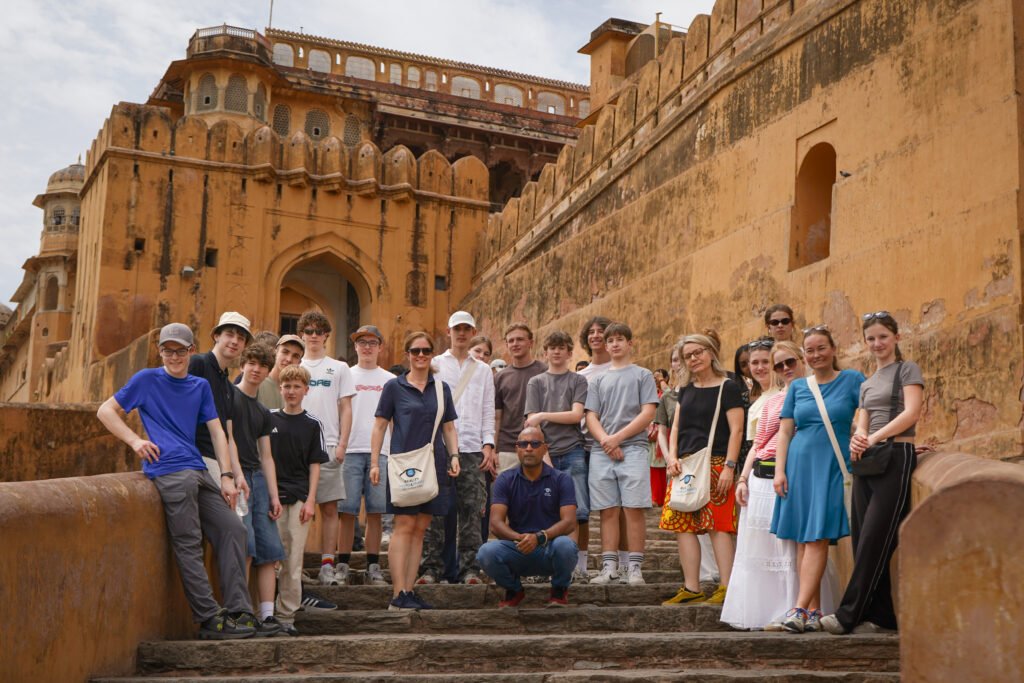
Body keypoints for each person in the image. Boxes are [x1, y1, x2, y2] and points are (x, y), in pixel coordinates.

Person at [96, 323, 256, 639]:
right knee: (189, 543)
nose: (174, 356)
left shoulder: (199, 386)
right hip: (168, 470)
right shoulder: (146, 380)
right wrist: (134, 441)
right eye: (168, 350)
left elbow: (217, 432)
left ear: (189, 352)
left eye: (180, 350)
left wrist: (226, 476)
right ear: (161, 352)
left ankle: (240, 612)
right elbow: (106, 411)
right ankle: (210, 618)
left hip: (197, 468)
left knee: (233, 528)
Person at [821, 312, 924, 635]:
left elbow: (912, 411)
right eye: (871, 339)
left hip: (895, 454)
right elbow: (862, 420)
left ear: (896, 338)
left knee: (875, 538)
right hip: (866, 460)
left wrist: (875, 437)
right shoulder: (867, 382)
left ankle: (848, 614)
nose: (877, 343)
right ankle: (882, 616)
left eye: (883, 337)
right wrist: (858, 438)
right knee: (864, 535)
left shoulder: (907, 369)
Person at [722, 342, 838, 630]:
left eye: (790, 363)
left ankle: (806, 609)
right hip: (765, 475)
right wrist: (743, 478)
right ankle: (778, 610)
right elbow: (758, 445)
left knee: (795, 547)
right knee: (770, 552)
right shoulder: (772, 401)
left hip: (798, 474)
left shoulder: (818, 393)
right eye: (779, 365)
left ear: (802, 360)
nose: (785, 369)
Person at [771, 325, 865, 633]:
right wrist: (779, 470)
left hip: (831, 465)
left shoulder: (852, 380)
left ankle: (798, 609)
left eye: (821, 348)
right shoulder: (798, 388)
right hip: (798, 466)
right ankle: (811, 611)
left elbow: (868, 415)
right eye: (809, 350)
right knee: (802, 540)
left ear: (833, 349)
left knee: (816, 537)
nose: (815, 355)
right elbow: (785, 432)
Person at [370, 331, 460, 610]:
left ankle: (409, 590)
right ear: (407, 354)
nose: (420, 356)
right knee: (404, 526)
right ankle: (397, 594)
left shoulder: (441, 388)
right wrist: (375, 461)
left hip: (434, 463)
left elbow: (448, 426)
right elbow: (380, 425)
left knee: (420, 527)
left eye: (425, 351)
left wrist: (455, 455)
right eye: (415, 351)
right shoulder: (394, 387)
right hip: (404, 465)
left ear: (432, 354)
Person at [661, 334, 745, 606]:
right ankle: (691, 587)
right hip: (685, 465)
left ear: (711, 353)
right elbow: (675, 427)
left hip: (718, 463)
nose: (693, 358)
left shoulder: (728, 387)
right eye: (688, 355)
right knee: (682, 526)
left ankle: (726, 586)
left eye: (698, 352)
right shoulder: (686, 389)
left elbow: (737, 430)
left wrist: (730, 467)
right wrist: (671, 457)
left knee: (718, 527)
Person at [419, 311, 495, 585]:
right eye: (457, 328)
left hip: (473, 447)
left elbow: (487, 409)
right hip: (439, 447)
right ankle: (431, 568)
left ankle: (470, 569)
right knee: (435, 510)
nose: (461, 333)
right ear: (448, 330)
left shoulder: (484, 370)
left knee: (472, 511)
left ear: (473, 331)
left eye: (466, 329)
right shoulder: (435, 364)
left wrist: (489, 444)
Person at [584, 322, 659, 586]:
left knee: (634, 507)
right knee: (607, 510)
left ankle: (635, 567)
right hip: (602, 450)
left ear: (630, 343)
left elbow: (648, 412)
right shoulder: (599, 379)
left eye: (620, 339)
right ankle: (609, 566)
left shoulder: (642, 374)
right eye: (610, 340)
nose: (615, 344)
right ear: (605, 345)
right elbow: (591, 415)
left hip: (634, 448)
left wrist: (618, 438)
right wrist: (606, 440)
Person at [476, 426, 579, 608]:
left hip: (549, 547)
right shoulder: (505, 479)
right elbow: (495, 523)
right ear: (517, 449)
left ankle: (559, 588)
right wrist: (520, 538)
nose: (529, 448)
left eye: (535, 443)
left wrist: (540, 537)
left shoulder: (561, 479)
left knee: (566, 545)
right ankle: (514, 589)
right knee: (486, 552)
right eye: (523, 444)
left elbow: (570, 522)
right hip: (518, 548)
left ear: (545, 448)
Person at [267, 364, 328, 636]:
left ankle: (286, 614)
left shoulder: (313, 424)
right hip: (273, 498)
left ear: (306, 389)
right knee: (270, 558)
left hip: (301, 498)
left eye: (296, 387)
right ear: (280, 389)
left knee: (294, 559)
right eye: (287, 386)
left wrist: (311, 500)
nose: (291, 391)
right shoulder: (268, 420)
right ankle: (264, 611)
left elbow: (316, 464)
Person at [524, 330, 590, 583]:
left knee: (575, 511)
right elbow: (531, 422)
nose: (557, 351)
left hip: (572, 449)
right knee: (542, 509)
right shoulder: (537, 382)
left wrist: (543, 415)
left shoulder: (578, 380)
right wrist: (544, 456)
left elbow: (576, 416)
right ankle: (542, 564)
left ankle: (571, 566)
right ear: (545, 352)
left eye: (562, 347)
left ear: (570, 352)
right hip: (544, 452)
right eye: (552, 347)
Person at [297, 310, 355, 586]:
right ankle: (295, 564)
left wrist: (343, 442)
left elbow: (346, 407)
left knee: (330, 509)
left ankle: (327, 565)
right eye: (308, 331)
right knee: (297, 509)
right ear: (301, 335)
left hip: (328, 445)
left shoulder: (338, 368)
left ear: (326, 336)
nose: (313, 336)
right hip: (295, 448)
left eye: (318, 331)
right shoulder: (295, 366)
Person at [232, 343, 285, 636]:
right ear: (242, 365)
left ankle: (266, 615)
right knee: (246, 546)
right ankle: (242, 611)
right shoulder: (229, 398)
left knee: (268, 549)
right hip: (237, 479)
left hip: (259, 481)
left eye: (262, 366)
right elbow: (227, 441)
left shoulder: (263, 411)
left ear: (267, 371)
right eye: (251, 363)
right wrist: (234, 476)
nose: (256, 369)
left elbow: (267, 455)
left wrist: (274, 495)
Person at [338, 325, 396, 587]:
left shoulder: (389, 380)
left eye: (372, 342)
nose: (367, 347)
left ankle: (373, 566)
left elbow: (394, 419)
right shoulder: (345, 375)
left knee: (375, 512)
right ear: (355, 347)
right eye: (362, 342)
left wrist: (393, 451)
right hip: (349, 450)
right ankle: (342, 565)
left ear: (380, 347)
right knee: (346, 512)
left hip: (380, 453)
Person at [188, 311, 251, 482]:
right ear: (216, 336)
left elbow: (229, 435)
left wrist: (237, 474)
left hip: (218, 462)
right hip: (195, 458)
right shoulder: (198, 364)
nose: (235, 341)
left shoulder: (228, 387)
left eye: (241, 338)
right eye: (229, 334)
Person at [494, 323, 547, 474]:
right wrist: (495, 448)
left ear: (531, 342)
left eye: (520, 339)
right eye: (511, 341)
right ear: (506, 345)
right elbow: (497, 417)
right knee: (507, 495)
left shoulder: (544, 372)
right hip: (507, 448)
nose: (515, 344)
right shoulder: (500, 377)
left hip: (538, 445)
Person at [255, 334, 305, 410]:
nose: (289, 359)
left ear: (299, 362)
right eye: (285, 352)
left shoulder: (295, 391)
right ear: (276, 352)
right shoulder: (257, 381)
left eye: (295, 356)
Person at [649, 368, 670, 507]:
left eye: (659, 378)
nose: (655, 380)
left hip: (663, 433)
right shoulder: (653, 394)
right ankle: (656, 496)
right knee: (653, 466)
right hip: (650, 435)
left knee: (660, 466)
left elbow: (669, 394)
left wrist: (662, 380)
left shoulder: (668, 393)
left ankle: (660, 497)